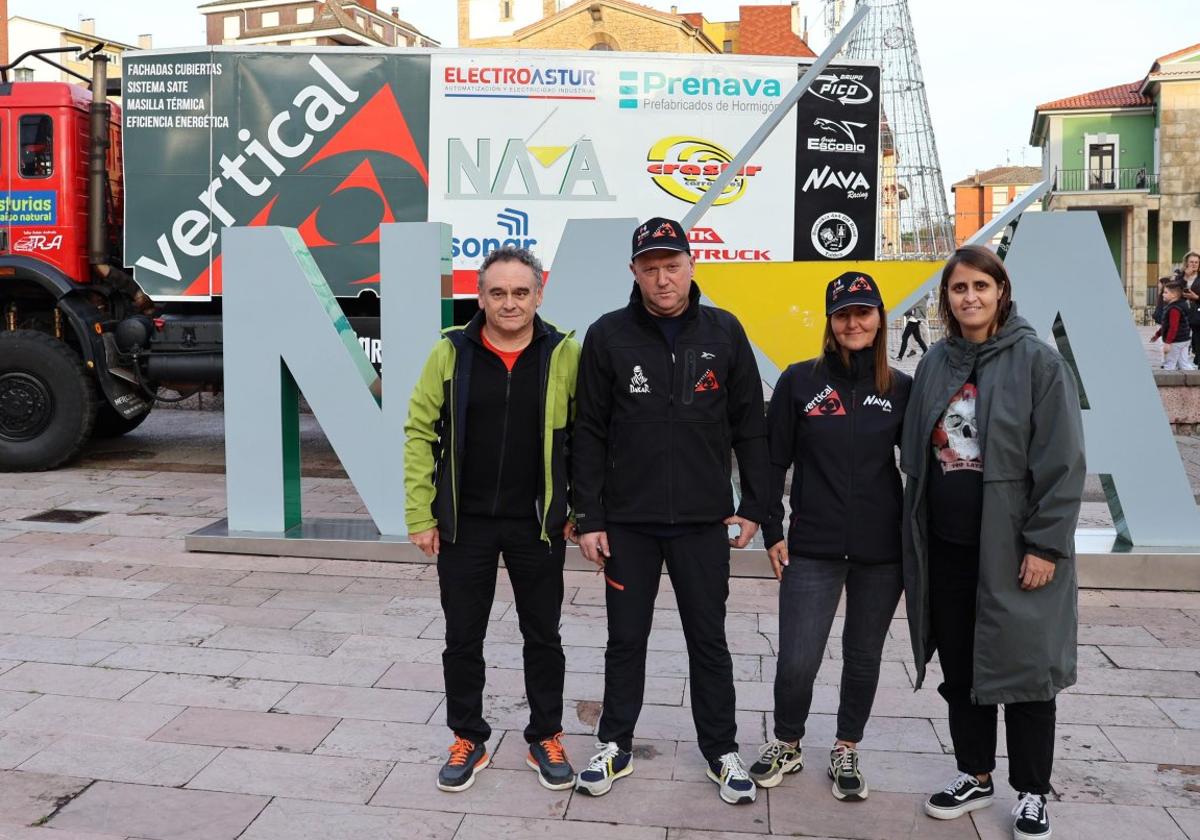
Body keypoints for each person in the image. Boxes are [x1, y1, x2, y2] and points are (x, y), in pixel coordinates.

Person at [570, 217, 769, 805]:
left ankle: (721, 749)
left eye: (672, 266)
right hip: (628, 524)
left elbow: (750, 429)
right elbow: (587, 432)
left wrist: (755, 504)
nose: (662, 278)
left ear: (691, 265)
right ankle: (614, 744)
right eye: (650, 268)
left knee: (708, 638)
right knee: (625, 638)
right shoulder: (608, 336)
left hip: (702, 524)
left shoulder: (725, 333)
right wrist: (590, 517)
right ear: (634, 271)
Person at [900, 245, 1085, 840]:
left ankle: (1032, 791)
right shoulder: (935, 363)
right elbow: (915, 451)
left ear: (1001, 291)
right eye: (959, 289)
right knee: (961, 666)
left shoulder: (1038, 362)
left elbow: (1062, 464)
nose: (970, 297)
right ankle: (974, 773)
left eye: (981, 285)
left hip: (1015, 549)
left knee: (1028, 670)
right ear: (947, 298)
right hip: (947, 546)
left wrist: (1045, 545)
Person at [403, 245, 580, 793]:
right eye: (498, 293)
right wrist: (419, 512)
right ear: (480, 297)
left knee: (543, 635)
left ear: (539, 294)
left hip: (537, 524)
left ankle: (545, 734)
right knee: (462, 637)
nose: (510, 303)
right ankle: (467, 737)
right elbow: (418, 431)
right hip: (465, 524)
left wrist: (579, 510)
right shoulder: (451, 352)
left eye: (520, 292)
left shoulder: (563, 354)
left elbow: (588, 437)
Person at [750, 272, 911, 802]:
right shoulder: (800, 381)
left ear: (879, 319)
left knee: (863, 655)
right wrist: (773, 528)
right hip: (812, 545)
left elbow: (925, 466)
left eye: (863, 312)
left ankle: (846, 748)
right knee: (797, 656)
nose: (853, 323)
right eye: (843, 314)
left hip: (881, 551)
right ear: (830, 321)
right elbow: (774, 461)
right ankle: (788, 741)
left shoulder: (901, 388)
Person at [1156, 279, 1195, 371]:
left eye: (1165, 292)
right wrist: (1157, 334)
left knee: (1169, 364)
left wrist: (1168, 343)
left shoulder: (1174, 309)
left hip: (1176, 341)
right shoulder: (1182, 304)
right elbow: (1167, 324)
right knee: (1184, 364)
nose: (1162, 294)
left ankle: (1166, 382)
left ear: (1173, 295)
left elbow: (1173, 327)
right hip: (1184, 339)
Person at [1176, 252, 1200, 362]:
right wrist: (1185, 276)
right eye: (1191, 262)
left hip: (1197, 314)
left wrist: (1196, 297)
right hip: (1182, 312)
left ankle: (1197, 360)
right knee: (1181, 340)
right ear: (1186, 263)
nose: (1194, 264)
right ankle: (1181, 362)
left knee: (1197, 339)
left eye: (1196, 262)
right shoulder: (1180, 276)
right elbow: (1174, 290)